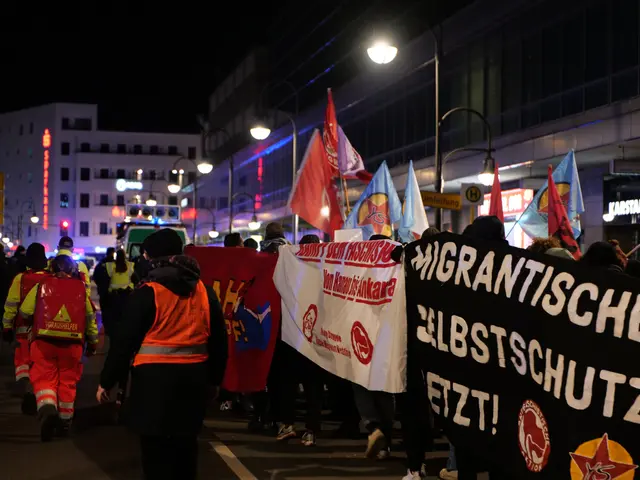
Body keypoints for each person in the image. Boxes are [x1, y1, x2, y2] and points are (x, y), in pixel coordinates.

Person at [96, 228, 227, 480]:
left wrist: (107, 381)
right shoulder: (204, 291)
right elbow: (219, 341)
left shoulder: (148, 293)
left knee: (155, 454)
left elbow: (124, 344)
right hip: (193, 381)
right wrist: (214, 380)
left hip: (153, 385)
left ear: (151, 258)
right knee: (186, 449)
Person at [19, 255, 98, 441]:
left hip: (43, 342)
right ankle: (64, 421)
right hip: (72, 344)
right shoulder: (80, 288)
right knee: (67, 382)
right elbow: (90, 319)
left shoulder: (41, 285)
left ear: (51, 268)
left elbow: (25, 311)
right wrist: (92, 342)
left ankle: (47, 406)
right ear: (72, 270)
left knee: (44, 378)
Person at [276, 234, 324, 446]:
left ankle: (289, 424)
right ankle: (310, 429)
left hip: (294, 338)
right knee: (311, 387)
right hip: (309, 340)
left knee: (290, 385)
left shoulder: (291, 271)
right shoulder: (325, 273)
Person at [2, 243, 51, 415]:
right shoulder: (51, 279)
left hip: (23, 328)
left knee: (23, 362)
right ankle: (39, 395)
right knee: (41, 365)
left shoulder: (20, 279)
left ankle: (26, 388)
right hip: (45, 330)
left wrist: (7, 326)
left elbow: (11, 305)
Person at [105, 249, 135, 407]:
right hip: (126, 303)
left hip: (115, 303)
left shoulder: (110, 267)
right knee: (125, 358)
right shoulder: (131, 266)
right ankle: (121, 392)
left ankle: (108, 387)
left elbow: (103, 279)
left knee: (115, 353)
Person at [93, 247, 116, 312]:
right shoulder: (115, 264)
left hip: (103, 291)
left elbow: (95, 277)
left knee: (104, 310)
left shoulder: (101, 264)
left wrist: (100, 285)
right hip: (113, 291)